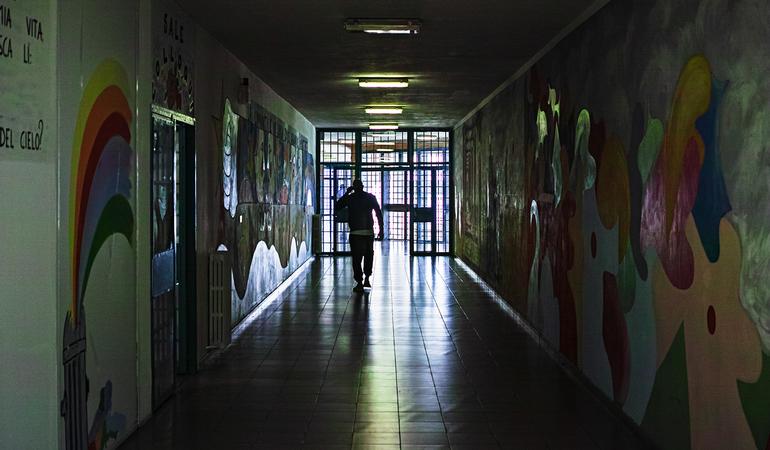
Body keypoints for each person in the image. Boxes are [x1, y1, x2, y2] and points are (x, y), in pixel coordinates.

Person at [335, 179, 384, 292]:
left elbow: (337, 206)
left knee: (356, 259)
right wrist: (381, 230)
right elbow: (378, 213)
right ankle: (367, 277)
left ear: (353, 187)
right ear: (362, 186)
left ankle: (359, 282)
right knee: (368, 256)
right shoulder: (370, 197)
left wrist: (347, 193)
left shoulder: (350, 198)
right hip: (368, 231)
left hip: (355, 232)